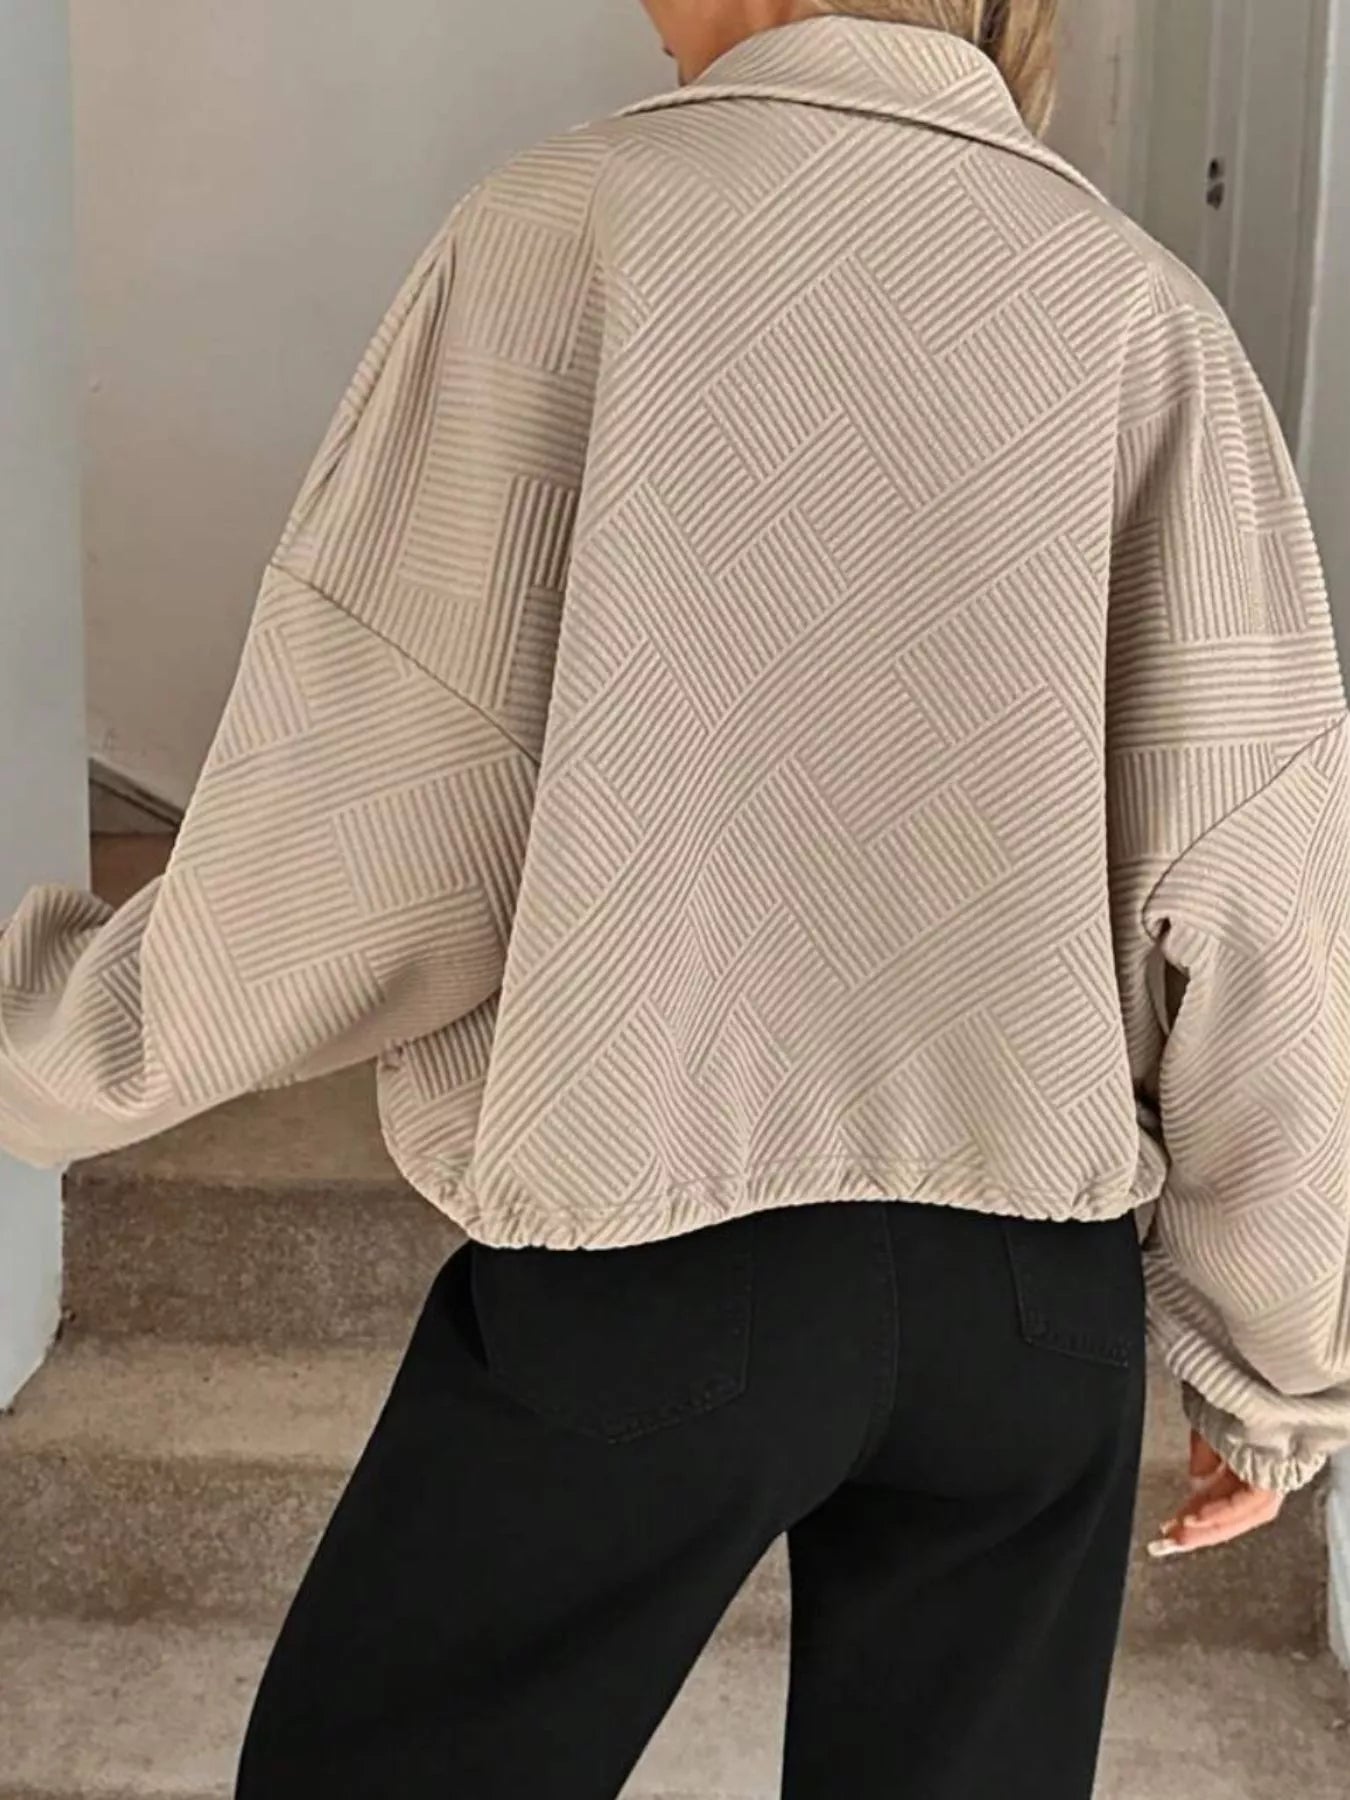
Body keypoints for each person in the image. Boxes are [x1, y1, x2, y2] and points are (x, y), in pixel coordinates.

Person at [2, 1, 1348, 1793]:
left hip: (661, 1253)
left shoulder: (568, 233)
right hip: (1035, 1313)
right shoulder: (1138, 308)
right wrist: (1268, 1366)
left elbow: (379, 816)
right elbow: (1259, 892)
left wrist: (60, 1049)